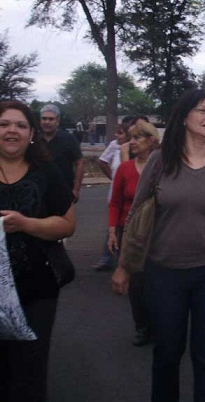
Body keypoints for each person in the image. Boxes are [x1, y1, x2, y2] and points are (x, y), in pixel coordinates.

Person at [112, 89, 205, 402]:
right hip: (164, 273)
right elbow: (136, 214)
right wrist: (124, 266)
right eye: (202, 110)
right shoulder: (160, 161)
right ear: (184, 118)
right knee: (167, 353)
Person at [0, 101, 76, 401]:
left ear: (31, 134)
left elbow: (68, 225)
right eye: (4, 124)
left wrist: (26, 224)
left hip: (36, 290)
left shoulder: (45, 172)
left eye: (21, 125)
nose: (12, 131)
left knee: (29, 372)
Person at [108, 120, 160, 346]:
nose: (131, 143)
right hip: (129, 232)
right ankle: (142, 327)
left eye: (137, 138)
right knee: (136, 283)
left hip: (156, 232)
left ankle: (159, 325)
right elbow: (115, 202)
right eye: (131, 138)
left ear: (151, 141)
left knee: (157, 281)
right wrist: (112, 231)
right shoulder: (125, 168)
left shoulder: (162, 168)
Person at [92, 120, 132, 272]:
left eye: (120, 133)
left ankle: (126, 263)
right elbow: (103, 162)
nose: (116, 136)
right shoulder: (115, 146)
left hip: (129, 198)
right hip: (115, 197)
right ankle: (107, 258)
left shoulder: (136, 152)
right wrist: (113, 179)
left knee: (128, 230)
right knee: (112, 227)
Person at [39, 104, 85, 203]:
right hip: (38, 192)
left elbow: (80, 163)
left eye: (51, 119)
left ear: (57, 121)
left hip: (63, 192)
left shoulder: (69, 139)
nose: (47, 122)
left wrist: (76, 189)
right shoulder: (34, 140)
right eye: (44, 118)